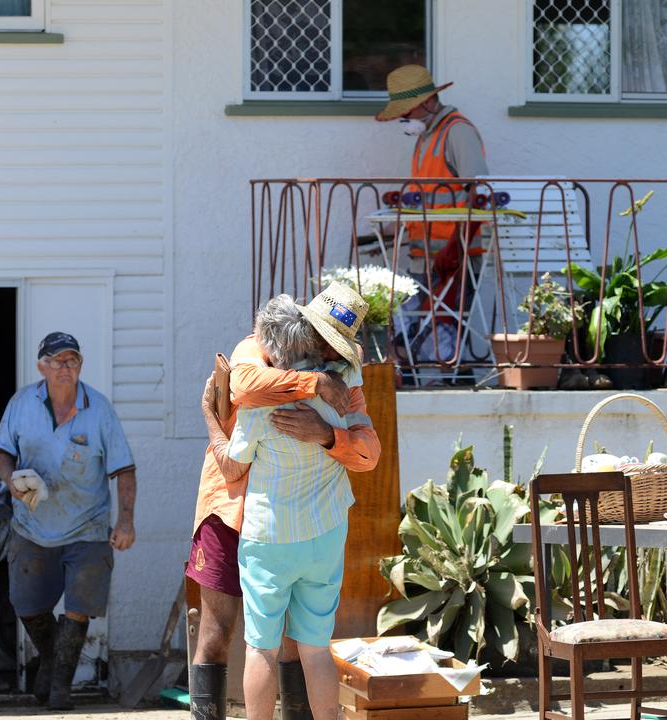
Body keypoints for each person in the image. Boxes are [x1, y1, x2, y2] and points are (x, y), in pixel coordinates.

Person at [189, 283, 380, 720]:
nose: (328, 354)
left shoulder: (341, 380)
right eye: (323, 342)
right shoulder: (270, 357)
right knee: (224, 634)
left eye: (335, 347)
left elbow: (369, 453)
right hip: (237, 511)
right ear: (306, 329)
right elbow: (245, 383)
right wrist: (315, 384)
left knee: (267, 646)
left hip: (267, 529)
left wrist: (329, 434)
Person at [0, 331, 136, 710]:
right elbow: (1, 451)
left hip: (86, 526)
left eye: (71, 360)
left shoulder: (99, 409)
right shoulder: (22, 403)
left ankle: (60, 687)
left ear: (80, 365)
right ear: (42, 366)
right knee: (26, 606)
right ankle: (52, 662)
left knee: (78, 606)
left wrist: (125, 522)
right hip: (31, 525)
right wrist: (10, 481)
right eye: (56, 361)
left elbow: (124, 468)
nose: (64, 368)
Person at [376, 64, 489, 367]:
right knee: (416, 326)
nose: (404, 118)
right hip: (424, 255)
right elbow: (431, 196)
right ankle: (417, 376)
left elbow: (479, 194)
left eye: (407, 111)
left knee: (442, 335)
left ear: (426, 102)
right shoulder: (428, 136)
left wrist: (456, 250)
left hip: (455, 257)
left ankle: (447, 384)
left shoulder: (457, 132)